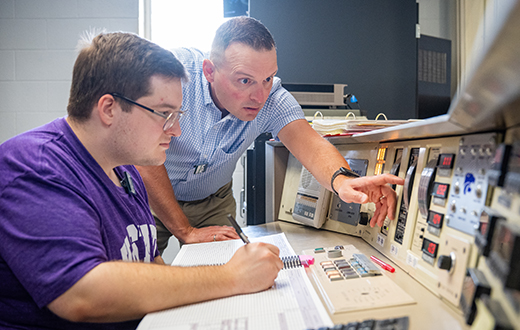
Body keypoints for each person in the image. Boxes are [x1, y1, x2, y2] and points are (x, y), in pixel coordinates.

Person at [0, 32, 283, 329]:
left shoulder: (125, 171)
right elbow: (83, 293)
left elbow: (150, 266)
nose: (176, 131)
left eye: (178, 115)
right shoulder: (35, 167)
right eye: (164, 114)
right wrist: (231, 276)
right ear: (109, 108)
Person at [137, 17, 405, 254]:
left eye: (268, 79)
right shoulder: (174, 75)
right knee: (139, 280)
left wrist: (343, 181)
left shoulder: (273, 99)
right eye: (245, 81)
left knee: (225, 277)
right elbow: (142, 156)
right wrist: (185, 230)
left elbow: (310, 143)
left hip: (212, 201)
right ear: (209, 71)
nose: (259, 96)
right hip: (149, 193)